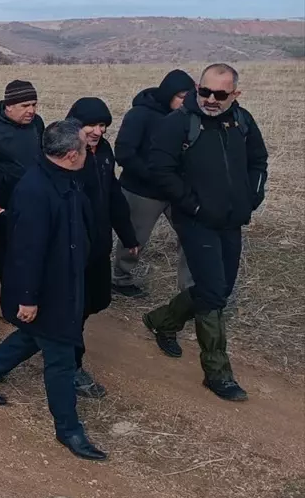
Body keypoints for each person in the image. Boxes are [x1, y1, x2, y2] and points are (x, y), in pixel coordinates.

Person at [0, 120, 107, 463]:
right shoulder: (35, 189)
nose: (90, 153)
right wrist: (27, 298)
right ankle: (68, 429)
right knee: (60, 358)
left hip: (65, 280)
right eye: (85, 149)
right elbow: (26, 250)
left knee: (32, 337)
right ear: (71, 154)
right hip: (46, 288)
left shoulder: (65, 178)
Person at [142, 64, 268, 402]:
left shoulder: (243, 122)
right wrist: (193, 206)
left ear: (235, 95)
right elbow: (161, 169)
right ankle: (217, 372)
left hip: (232, 219)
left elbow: (259, 160)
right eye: (205, 91)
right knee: (213, 293)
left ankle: (162, 321)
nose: (211, 99)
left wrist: (252, 198)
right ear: (198, 88)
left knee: (220, 288)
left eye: (220, 94)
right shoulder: (178, 123)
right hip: (195, 221)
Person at [66, 97, 140, 399]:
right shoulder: (64, 152)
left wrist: (129, 235)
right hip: (72, 246)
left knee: (97, 300)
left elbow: (113, 196)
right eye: (91, 125)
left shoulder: (104, 152)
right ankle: (71, 365)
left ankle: (51, 339)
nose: (97, 131)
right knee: (74, 306)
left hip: (99, 243)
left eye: (102, 126)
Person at [110, 69, 197, 297]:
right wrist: (156, 176)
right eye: (181, 96)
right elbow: (124, 153)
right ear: (168, 94)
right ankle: (120, 279)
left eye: (190, 96)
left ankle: (191, 290)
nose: (185, 101)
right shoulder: (140, 114)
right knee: (134, 239)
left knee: (191, 236)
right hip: (142, 191)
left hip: (177, 190)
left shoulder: (190, 117)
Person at [0, 80, 45, 304]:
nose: (32, 110)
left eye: (34, 104)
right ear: (9, 106)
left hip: (30, 198)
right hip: (0, 198)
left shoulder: (37, 124)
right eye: (25, 105)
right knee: (9, 245)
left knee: (23, 245)